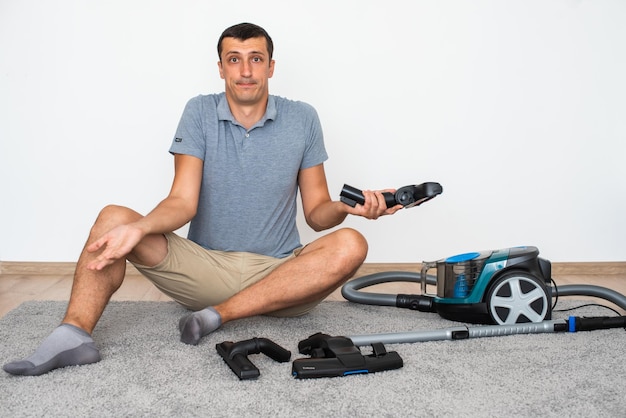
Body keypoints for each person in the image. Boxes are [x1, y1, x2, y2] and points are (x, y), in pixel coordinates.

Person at [3, 22, 402, 376]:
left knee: (352, 242)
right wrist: (137, 229)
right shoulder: (199, 111)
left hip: (283, 277)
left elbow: (317, 214)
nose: (245, 71)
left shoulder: (303, 118)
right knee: (113, 217)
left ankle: (219, 316)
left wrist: (349, 208)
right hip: (207, 270)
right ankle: (73, 335)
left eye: (255, 59)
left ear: (271, 66)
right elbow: (182, 202)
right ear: (221, 68)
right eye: (234, 59)